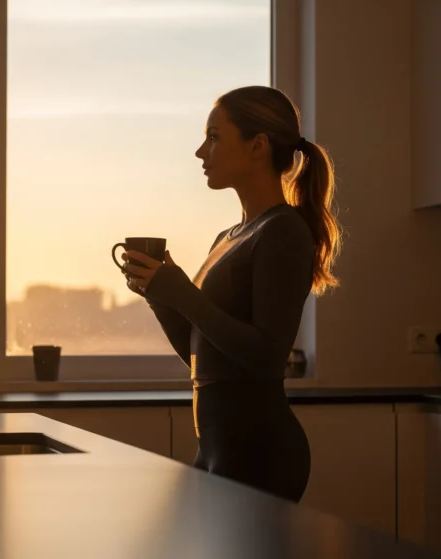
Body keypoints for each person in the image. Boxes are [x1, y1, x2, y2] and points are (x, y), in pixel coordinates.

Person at [119, 85, 342, 503]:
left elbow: (266, 356)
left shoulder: (284, 232)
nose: (201, 152)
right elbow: (204, 356)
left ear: (258, 146)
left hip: (261, 453)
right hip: (221, 451)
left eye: (215, 136)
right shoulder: (231, 236)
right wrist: (159, 295)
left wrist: (182, 293)